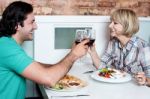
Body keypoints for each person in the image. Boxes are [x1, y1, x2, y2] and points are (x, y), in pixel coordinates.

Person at [0, 1, 89, 99]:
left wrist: (69, 56)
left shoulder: (7, 43)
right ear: (17, 26)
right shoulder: (7, 48)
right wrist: (73, 55)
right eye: (32, 22)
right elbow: (49, 79)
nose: (36, 26)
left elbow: (35, 66)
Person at [89, 9, 150, 86]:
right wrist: (93, 52)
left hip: (136, 90)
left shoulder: (143, 47)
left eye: (115, 23)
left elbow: (149, 77)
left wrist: (145, 80)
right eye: (111, 22)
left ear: (126, 25)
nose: (110, 26)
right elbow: (102, 68)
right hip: (119, 88)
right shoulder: (113, 43)